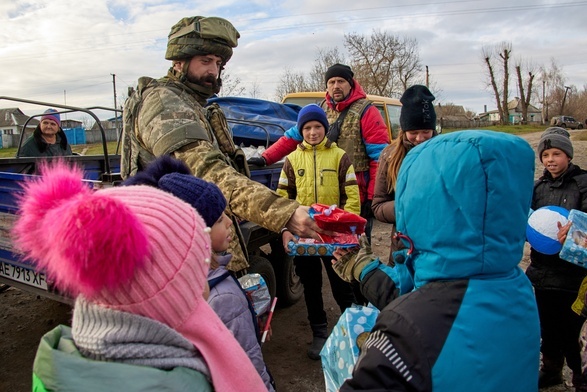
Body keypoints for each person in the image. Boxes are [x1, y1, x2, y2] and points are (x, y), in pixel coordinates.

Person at [13, 162, 268, 391]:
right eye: (196, 271)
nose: (204, 284)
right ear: (163, 294)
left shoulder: (60, 354)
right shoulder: (184, 383)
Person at [331, 131, 540, 391]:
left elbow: (421, 313)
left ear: (421, 205)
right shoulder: (518, 287)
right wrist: (366, 269)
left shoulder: (403, 329)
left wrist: (378, 350)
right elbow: (434, 304)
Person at [120, 16, 321, 274]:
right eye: (205, 61)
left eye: (218, 63)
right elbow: (208, 173)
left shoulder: (194, 104)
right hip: (180, 255)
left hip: (205, 245)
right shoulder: (164, 103)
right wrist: (285, 213)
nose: (213, 71)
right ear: (178, 62)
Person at [122, 155, 275, 391]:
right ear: (195, 231)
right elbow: (248, 364)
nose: (229, 224)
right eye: (219, 219)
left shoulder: (169, 288)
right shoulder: (223, 296)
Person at [248, 63, 389, 241]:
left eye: (340, 81)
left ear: (351, 83)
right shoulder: (321, 110)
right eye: (331, 82)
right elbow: (291, 137)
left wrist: (372, 197)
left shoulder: (367, 112)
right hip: (325, 197)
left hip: (355, 197)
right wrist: (265, 158)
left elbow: (380, 159)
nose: (336, 86)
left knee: (353, 250)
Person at [276, 104, 360, 360]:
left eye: (317, 127)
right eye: (307, 128)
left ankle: (353, 332)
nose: (312, 132)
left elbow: (352, 196)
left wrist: (346, 230)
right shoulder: (291, 160)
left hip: (334, 238)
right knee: (311, 286)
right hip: (305, 238)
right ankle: (319, 332)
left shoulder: (340, 157)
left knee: (342, 284)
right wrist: (284, 229)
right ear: (301, 131)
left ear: (325, 128)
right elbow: (282, 199)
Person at [525, 127, 587, 390]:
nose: (551, 159)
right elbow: (529, 221)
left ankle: (580, 375)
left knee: (572, 330)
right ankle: (551, 370)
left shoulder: (583, 184)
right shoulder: (537, 188)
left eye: (557, 154)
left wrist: (574, 233)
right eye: (546, 154)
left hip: (573, 275)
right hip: (542, 271)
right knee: (548, 327)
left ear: (569, 156)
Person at [371, 85, 437, 265]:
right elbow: (378, 205)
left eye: (426, 132)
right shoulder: (389, 155)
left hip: (439, 244)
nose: (420, 138)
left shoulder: (445, 153)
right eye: (413, 133)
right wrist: (407, 207)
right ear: (403, 130)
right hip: (403, 245)